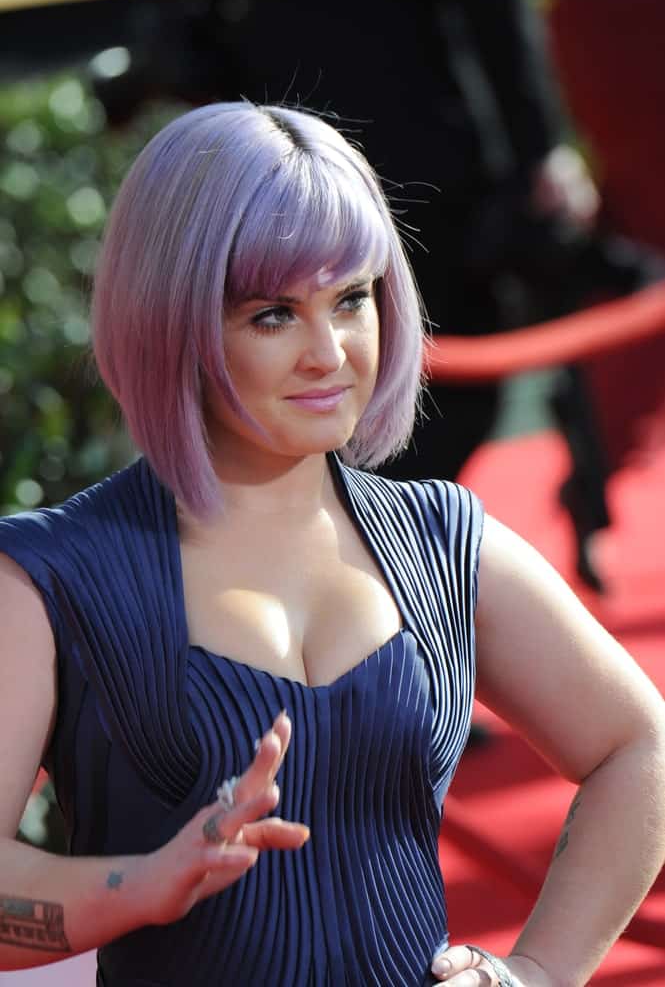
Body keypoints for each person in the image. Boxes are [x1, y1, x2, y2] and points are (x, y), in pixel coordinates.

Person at [0, 101, 663, 987]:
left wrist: (536, 972)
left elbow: (639, 750)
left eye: (351, 299)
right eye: (272, 314)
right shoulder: (45, 579)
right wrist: (141, 885)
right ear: (173, 320)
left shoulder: (440, 540)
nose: (330, 352)